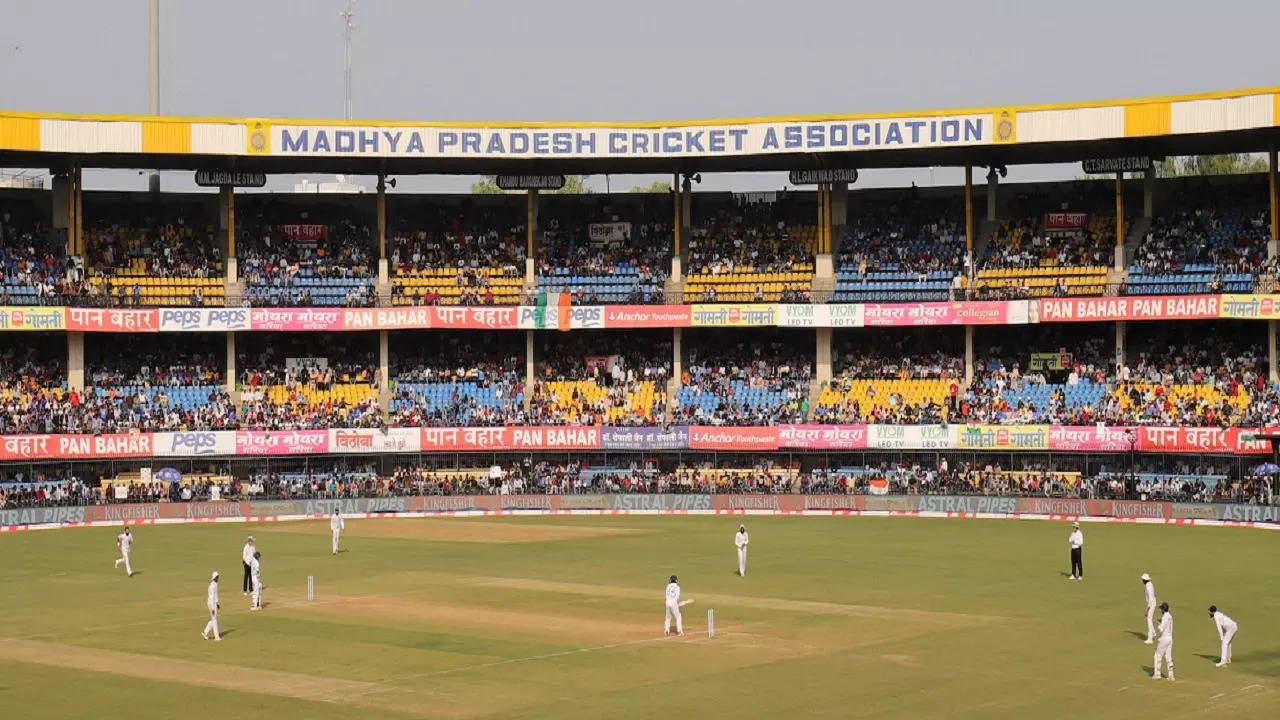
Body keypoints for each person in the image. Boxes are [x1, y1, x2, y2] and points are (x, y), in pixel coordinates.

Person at [1152, 602, 1174, 680]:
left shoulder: (1165, 617)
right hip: (1170, 638)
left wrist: (1158, 623)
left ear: (1163, 610)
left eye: (1161, 609)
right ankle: (1171, 676)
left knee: (1157, 655)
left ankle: (1157, 674)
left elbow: (1161, 629)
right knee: (1168, 657)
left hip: (1164, 638)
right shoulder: (1170, 616)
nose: (1161, 610)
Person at [202, 571, 222, 641]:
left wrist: (217, 603)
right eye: (217, 577)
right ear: (214, 578)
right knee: (214, 620)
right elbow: (211, 597)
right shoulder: (212, 586)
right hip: (211, 604)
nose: (218, 578)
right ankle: (217, 637)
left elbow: (215, 596)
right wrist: (213, 608)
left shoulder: (216, 584)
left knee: (214, 619)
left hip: (214, 603)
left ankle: (205, 632)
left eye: (218, 577)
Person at [1141, 573, 1157, 644]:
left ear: (1145, 580)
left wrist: (1147, 610)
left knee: (1149, 619)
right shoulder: (1149, 584)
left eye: (1142, 580)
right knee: (1149, 619)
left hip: (1151, 604)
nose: (1142, 581)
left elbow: (1150, 599)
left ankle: (1150, 639)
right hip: (1152, 602)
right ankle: (1153, 632)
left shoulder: (1148, 587)